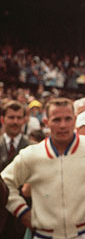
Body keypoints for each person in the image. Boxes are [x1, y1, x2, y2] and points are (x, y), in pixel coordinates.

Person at [1, 97, 85, 239]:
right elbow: (6, 182)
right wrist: (22, 212)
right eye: (56, 120)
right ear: (46, 122)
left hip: (84, 233)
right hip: (45, 234)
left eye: (67, 119)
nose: (62, 125)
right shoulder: (32, 153)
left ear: (74, 120)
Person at [0, 100, 33, 239]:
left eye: (19, 118)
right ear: (2, 119)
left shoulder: (34, 149)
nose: (15, 122)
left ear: (24, 120)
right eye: (11, 117)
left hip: (21, 219)